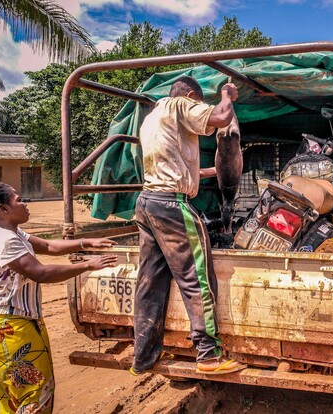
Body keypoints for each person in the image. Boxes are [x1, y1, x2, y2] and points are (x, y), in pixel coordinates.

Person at [132, 75, 245, 375]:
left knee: (150, 282)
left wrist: (215, 172)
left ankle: (143, 356)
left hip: (147, 203)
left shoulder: (152, 117)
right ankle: (208, 355)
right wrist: (226, 94)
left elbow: (178, 165)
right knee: (198, 279)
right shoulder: (181, 104)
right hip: (172, 205)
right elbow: (221, 117)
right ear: (192, 96)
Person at [0, 182, 118, 413]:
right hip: (10, 328)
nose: (25, 203)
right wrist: (88, 264)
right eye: (19, 200)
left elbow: (49, 246)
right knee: (34, 396)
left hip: (11, 324)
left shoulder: (12, 233)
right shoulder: (4, 239)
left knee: (10, 399)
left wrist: (86, 242)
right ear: (3, 209)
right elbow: (39, 273)